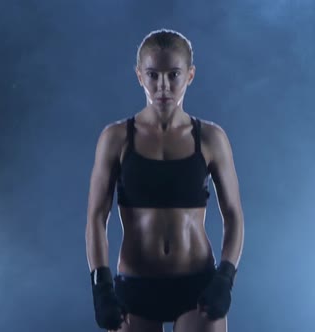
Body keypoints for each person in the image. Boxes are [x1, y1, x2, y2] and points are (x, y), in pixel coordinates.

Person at [85, 28, 244, 332]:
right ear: (139, 76)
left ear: (190, 75)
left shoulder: (211, 138)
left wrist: (225, 277)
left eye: (173, 74)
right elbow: (95, 218)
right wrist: (101, 288)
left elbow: (234, 216)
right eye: (153, 74)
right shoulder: (116, 138)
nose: (163, 85)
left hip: (196, 287)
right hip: (136, 286)